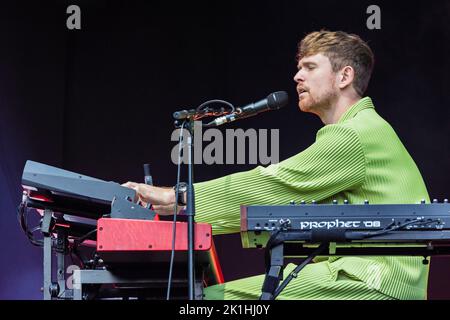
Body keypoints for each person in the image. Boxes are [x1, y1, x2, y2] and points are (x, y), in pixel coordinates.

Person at [124, 30, 430, 300]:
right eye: (298, 68)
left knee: (208, 300)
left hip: (372, 280)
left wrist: (174, 198)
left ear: (344, 76)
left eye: (310, 67)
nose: (297, 76)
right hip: (371, 278)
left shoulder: (354, 134)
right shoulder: (366, 128)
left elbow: (270, 186)